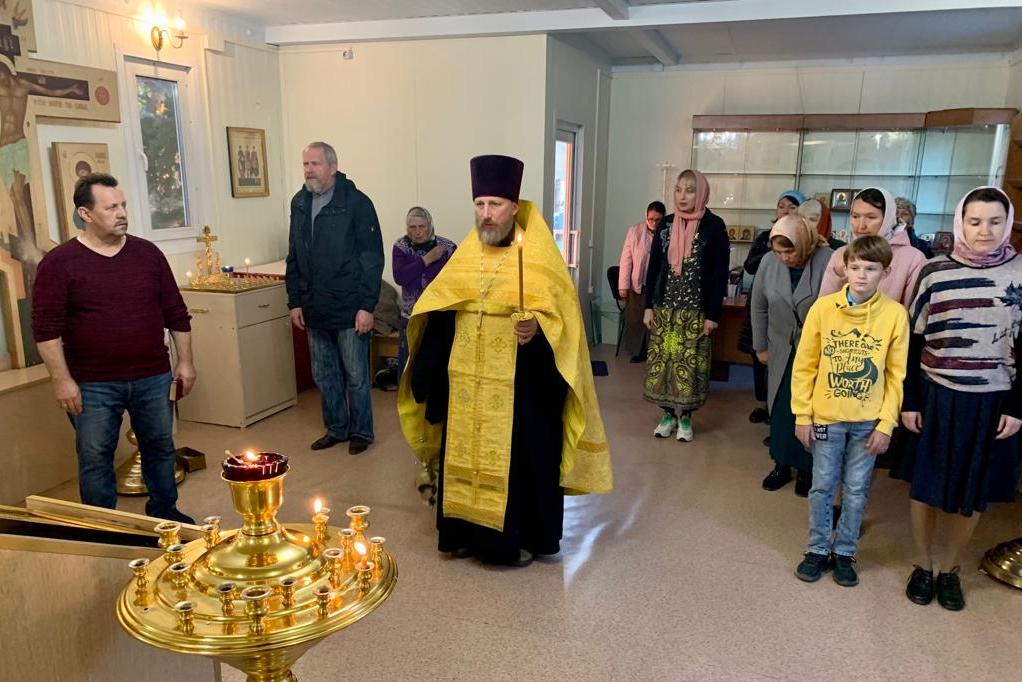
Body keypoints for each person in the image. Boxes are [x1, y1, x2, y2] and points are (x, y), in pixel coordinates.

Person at [399, 154, 612, 567]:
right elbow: (442, 308)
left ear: (514, 205)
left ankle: (516, 538)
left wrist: (537, 330)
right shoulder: (464, 254)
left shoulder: (538, 255)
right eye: (479, 204)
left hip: (520, 386)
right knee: (463, 451)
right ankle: (461, 533)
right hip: (466, 383)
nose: (486, 213)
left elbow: (562, 318)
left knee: (519, 457)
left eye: (495, 204)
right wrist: (426, 370)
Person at [30, 173, 195, 523]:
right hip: (92, 384)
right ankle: (103, 526)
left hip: (152, 375)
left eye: (123, 205)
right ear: (86, 214)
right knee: (94, 455)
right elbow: (45, 331)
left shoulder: (147, 254)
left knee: (161, 447)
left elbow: (176, 312)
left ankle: (165, 514)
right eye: (111, 207)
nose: (121, 213)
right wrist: (62, 380)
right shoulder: (59, 263)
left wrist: (185, 362)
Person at [896, 187, 1022, 611]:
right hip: (937, 395)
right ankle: (922, 564)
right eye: (974, 221)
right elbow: (914, 342)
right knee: (925, 484)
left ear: (1007, 224)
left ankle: (949, 570)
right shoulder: (934, 272)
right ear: (960, 223)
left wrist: (1018, 407)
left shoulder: (1021, 272)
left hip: (993, 400)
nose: (984, 230)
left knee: (971, 490)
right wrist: (910, 400)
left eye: (993, 221)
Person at [790, 236, 909, 587]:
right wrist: (802, 414)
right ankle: (816, 549)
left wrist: (886, 424)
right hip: (827, 417)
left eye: (870, 269)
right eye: (855, 267)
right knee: (822, 487)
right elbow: (805, 365)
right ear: (845, 268)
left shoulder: (894, 315)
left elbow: (895, 375)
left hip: (867, 422)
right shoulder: (823, 309)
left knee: (856, 491)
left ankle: (844, 552)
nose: (861, 275)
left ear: (885, 272)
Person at [285, 141, 383, 455]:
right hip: (314, 306)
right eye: (305, 164)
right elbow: (294, 255)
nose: (309, 170)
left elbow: (371, 258)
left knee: (355, 375)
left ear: (333, 166)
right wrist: (295, 300)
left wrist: (367, 307)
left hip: (349, 306)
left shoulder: (357, 203)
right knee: (324, 375)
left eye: (315, 163)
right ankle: (337, 428)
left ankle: (361, 432)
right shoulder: (299, 202)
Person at [643, 170, 730, 442]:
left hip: (696, 313)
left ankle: (686, 418)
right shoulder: (666, 225)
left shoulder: (714, 227)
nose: (682, 196)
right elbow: (654, 267)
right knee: (666, 363)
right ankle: (668, 414)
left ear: (701, 193)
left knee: (690, 367)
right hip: (667, 312)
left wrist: (713, 314)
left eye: (690, 190)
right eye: (678, 189)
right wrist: (649, 306)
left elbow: (719, 273)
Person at [751, 215, 832, 495]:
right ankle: (781, 464)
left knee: (809, 411)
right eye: (779, 252)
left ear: (805, 243)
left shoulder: (828, 260)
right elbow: (758, 306)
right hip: (780, 348)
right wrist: (760, 345)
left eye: (790, 251)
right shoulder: (768, 263)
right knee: (783, 409)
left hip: (815, 351)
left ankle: (807, 470)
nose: (784, 258)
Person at [738, 190, 805, 427]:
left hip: (792, 318)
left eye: (792, 206)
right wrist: (771, 252)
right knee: (761, 357)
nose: (785, 210)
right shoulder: (765, 238)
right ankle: (765, 403)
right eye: (781, 206)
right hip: (764, 300)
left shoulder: (808, 247)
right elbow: (750, 266)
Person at [818, 187, 927, 307]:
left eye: (871, 217)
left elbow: (911, 313)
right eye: (855, 216)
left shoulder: (913, 259)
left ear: (888, 218)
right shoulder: (841, 253)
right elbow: (824, 306)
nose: (861, 225)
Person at [392, 206, 456, 380]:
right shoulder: (401, 247)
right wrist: (427, 259)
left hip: (439, 316)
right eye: (413, 227)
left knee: (438, 369)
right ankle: (407, 405)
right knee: (408, 369)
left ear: (430, 226)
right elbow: (401, 277)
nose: (418, 232)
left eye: (422, 226)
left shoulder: (448, 247)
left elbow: (454, 280)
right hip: (411, 316)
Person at [618, 200, 666, 362]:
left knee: (656, 321)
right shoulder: (635, 231)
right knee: (636, 320)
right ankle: (638, 352)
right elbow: (626, 259)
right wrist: (623, 286)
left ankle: (654, 352)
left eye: (657, 219)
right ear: (646, 216)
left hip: (659, 287)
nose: (653, 223)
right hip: (637, 284)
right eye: (650, 219)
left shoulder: (667, 233)